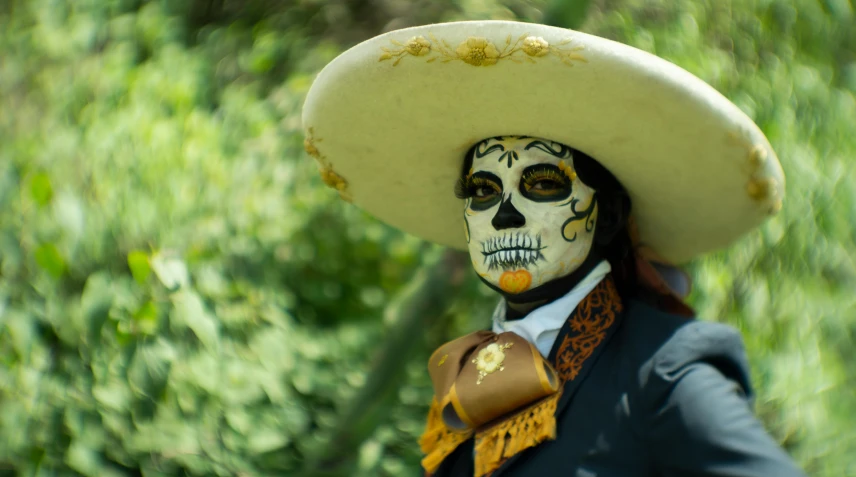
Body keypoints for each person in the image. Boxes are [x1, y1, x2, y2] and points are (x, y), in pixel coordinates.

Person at [301, 20, 806, 477]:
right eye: (483, 190)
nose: (503, 213)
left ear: (606, 216)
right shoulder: (469, 370)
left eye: (542, 184)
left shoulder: (663, 367)